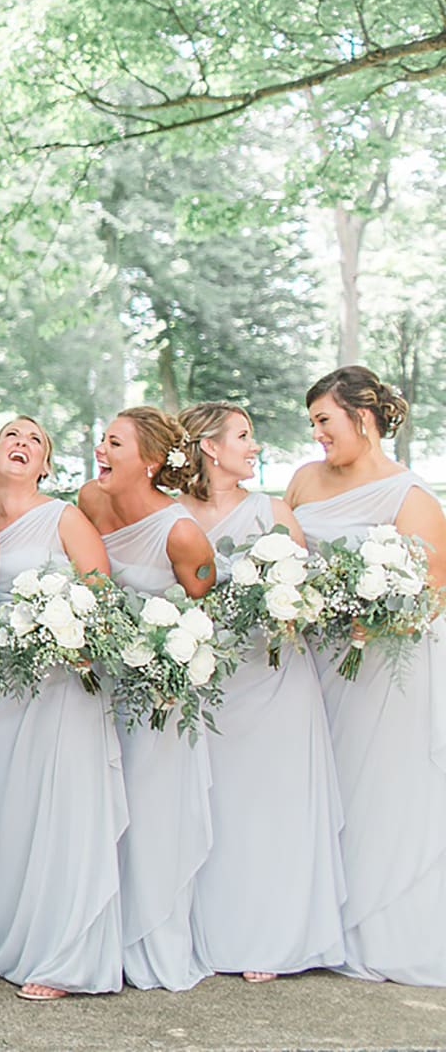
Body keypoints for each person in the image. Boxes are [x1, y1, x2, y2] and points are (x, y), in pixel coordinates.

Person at [287, 365, 446, 986]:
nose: (318, 434)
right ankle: (312, 922)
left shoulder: (410, 498)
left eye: (324, 421)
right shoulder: (302, 480)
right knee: (315, 791)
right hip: (311, 662)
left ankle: (374, 923)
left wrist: (372, 619)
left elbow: (433, 594)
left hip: (382, 671)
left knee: (372, 790)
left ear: (363, 417)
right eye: (313, 424)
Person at [179, 401, 345, 984]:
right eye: (244, 436)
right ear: (209, 447)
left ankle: (271, 938)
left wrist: (286, 605)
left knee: (272, 806)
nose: (254, 447)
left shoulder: (273, 511)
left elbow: (306, 593)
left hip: (275, 678)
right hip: (210, 678)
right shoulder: (174, 515)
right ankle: (211, 930)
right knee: (218, 805)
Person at [0, 416, 126, 1000]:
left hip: (58, 686)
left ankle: (63, 957)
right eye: (11, 437)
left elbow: (103, 597)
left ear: (45, 464)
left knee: (57, 812)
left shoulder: (64, 517)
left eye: (35, 440)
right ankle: (0, 938)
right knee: (5, 817)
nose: (22, 444)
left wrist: (62, 632)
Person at [79, 405, 217, 992]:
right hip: (97, 691)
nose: (100, 452)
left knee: (152, 816)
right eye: (102, 441)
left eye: (114, 443)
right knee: (102, 815)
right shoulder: (90, 500)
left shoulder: (181, 532)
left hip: (158, 697)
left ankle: (155, 943)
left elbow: (209, 615)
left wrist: (169, 658)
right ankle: (99, 940)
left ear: (152, 461)